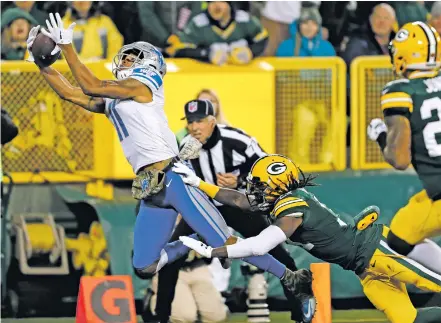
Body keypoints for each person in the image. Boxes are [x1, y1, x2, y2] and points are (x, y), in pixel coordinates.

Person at [26, 12, 309, 317]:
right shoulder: (118, 99)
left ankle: (290, 277)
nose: (125, 62)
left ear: (148, 64)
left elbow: (91, 84)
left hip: (174, 179)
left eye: (133, 59)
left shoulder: (145, 87)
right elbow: (70, 92)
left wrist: (68, 47)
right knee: (144, 266)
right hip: (151, 188)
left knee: (229, 244)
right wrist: (42, 63)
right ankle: (191, 242)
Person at [174, 154, 441, 323]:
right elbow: (236, 199)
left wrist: (215, 251)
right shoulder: (283, 200)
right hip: (363, 269)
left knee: (436, 285)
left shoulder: (291, 206)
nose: (253, 191)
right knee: (410, 318)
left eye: (259, 186)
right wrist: (198, 183)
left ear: (277, 186)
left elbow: (260, 245)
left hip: (376, 252)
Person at [148, 100, 301, 323]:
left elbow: (270, 171)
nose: (194, 127)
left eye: (199, 121)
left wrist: (241, 180)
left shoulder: (237, 140)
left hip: (236, 205)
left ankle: (299, 310)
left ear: (212, 122)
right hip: (205, 209)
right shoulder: (187, 147)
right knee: (170, 259)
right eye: (190, 122)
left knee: (278, 255)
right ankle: (160, 318)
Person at [367, 21, 441, 274]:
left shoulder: (401, 91)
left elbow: (399, 159)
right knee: (400, 236)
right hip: (434, 198)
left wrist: (379, 135)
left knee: (398, 242)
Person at [166, 1, 268, 66]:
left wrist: (251, 51)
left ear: (230, 4)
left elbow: (263, 39)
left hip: (243, 76)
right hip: (208, 77)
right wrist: (207, 53)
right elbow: (180, 50)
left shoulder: (245, 20)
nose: (216, 5)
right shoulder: (198, 23)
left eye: (221, 1)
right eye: (211, 1)